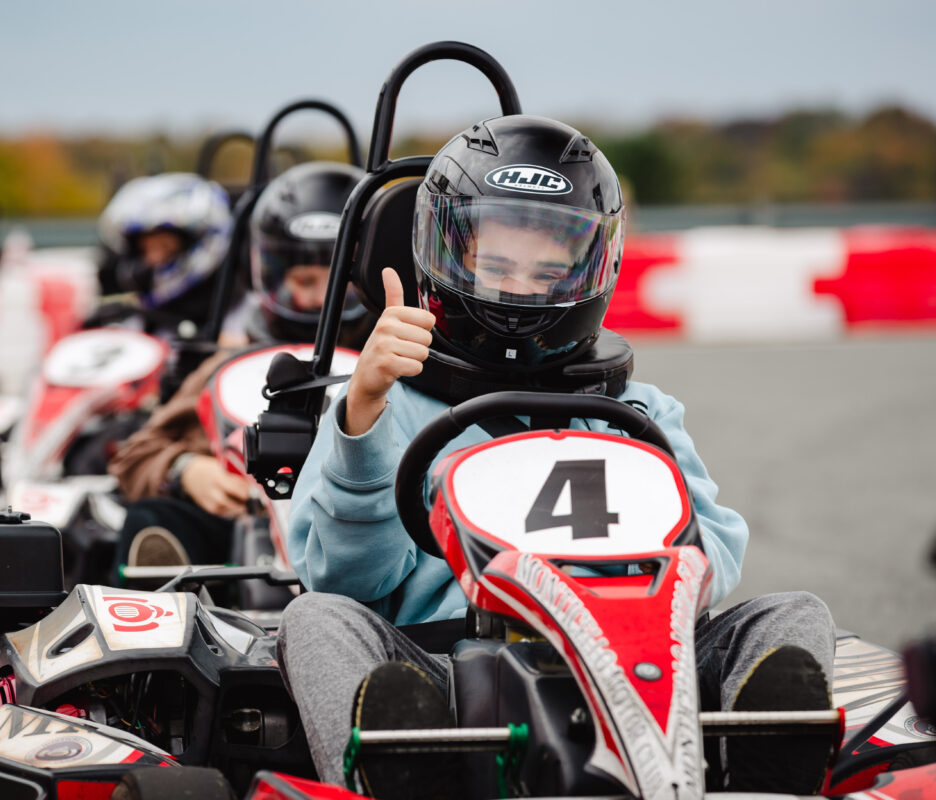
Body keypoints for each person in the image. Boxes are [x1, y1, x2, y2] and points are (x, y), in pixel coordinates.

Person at [275, 116, 836, 797]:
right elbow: (348, 580)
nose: (520, 293)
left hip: (634, 663)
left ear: (594, 270)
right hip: (444, 671)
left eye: (547, 273)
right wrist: (362, 418)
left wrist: (622, 577)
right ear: (443, 256)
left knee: (793, 614)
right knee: (316, 621)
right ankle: (401, 770)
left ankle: (760, 773)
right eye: (497, 267)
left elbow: (713, 557)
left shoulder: (638, 411)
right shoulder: (386, 405)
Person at [107, 161, 369, 578]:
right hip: (246, 547)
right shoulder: (227, 367)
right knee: (152, 518)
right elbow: (134, 457)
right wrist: (187, 470)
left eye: (338, 281)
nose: (322, 299)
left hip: (366, 540)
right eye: (303, 280)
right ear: (272, 275)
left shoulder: (399, 363)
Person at [91, 172, 237, 339]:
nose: (152, 260)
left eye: (163, 246)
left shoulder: (236, 311)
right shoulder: (128, 313)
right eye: (144, 248)